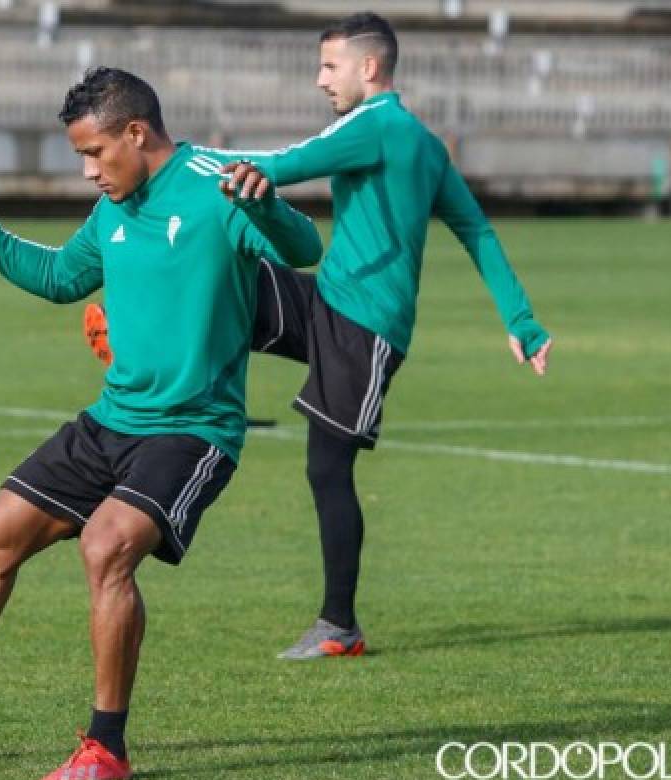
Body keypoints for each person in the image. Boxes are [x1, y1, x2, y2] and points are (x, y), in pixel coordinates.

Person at [0, 67, 322, 780]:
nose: (88, 171)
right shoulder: (115, 206)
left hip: (192, 429)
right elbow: (59, 279)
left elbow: (304, 250)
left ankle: (105, 747)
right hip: (113, 419)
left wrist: (266, 205)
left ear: (136, 133)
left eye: (94, 153)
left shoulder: (218, 185)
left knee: (105, 546)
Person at [82, 12, 553, 661]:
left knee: (326, 467)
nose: (320, 79)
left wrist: (190, 169)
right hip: (327, 299)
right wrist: (521, 320)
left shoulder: (374, 124)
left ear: (369, 68)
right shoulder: (424, 141)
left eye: (329, 66)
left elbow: (286, 163)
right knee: (232, 288)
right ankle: (139, 339)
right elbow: (479, 231)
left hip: (364, 327)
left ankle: (340, 627)